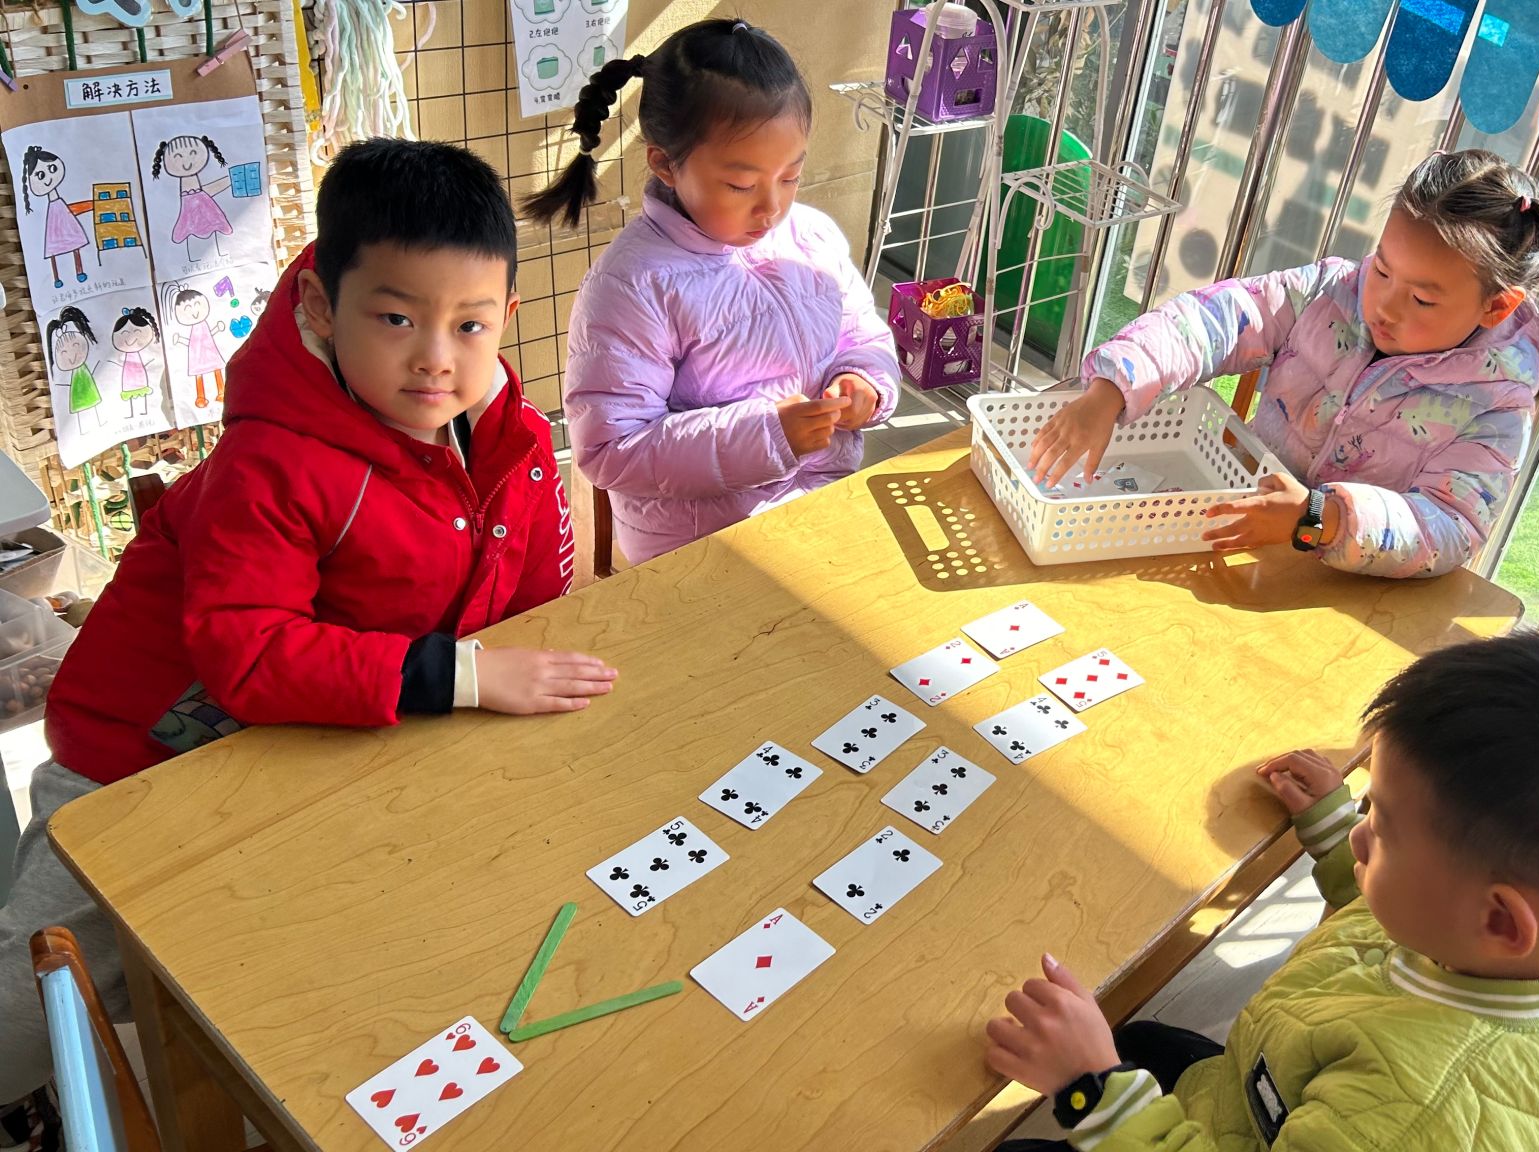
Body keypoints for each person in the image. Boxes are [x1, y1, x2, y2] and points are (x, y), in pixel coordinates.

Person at [1, 138, 614, 1107]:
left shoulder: (512, 439)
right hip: (137, 764)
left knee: (267, 990)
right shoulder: (271, 461)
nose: (435, 358)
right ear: (322, 307)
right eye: (397, 319)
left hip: (310, 753)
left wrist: (493, 670)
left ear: (506, 317)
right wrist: (462, 675)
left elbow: (532, 603)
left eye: (468, 325)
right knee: (38, 1008)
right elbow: (250, 654)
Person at [988, 631, 1539, 1151]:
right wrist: (1340, 835)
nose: (1363, 833)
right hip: (1265, 1086)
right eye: (1370, 806)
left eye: (1382, 826)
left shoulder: (1413, 1118)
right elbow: (1417, 902)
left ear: (1500, 920)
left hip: (1327, 1113)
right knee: (1141, 1039)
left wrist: (1094, 1092)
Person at [1029, 149, 1539, 577]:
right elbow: (1214, 318)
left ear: (1497, 306)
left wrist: (1321, 517)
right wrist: (1113, 387)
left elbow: (1453, 526)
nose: (1384, 306)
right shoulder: (1329, 291)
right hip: (1242, 545)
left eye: (1421, 299)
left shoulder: (1496, 403)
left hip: (1335, 594)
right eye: (1383, 269)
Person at [532, 17, 899, 566]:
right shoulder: (632, 285)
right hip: (697, 544)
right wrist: (768, 436)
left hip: (819, 504)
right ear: (665, 163)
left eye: (791, 176)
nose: (772, 207)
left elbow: (863, 336)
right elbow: (610, 451)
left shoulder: (812, 237)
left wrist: (864, 380)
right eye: (741, 185)